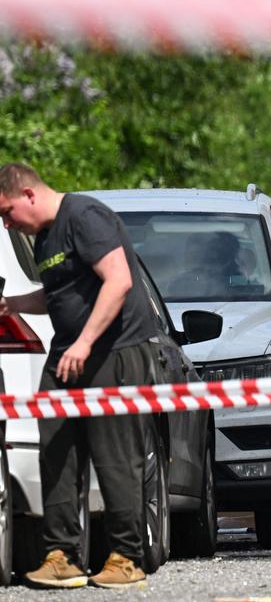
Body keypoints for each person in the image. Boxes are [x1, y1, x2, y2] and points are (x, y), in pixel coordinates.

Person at [0, 163, 154, 589]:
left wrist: (85, 343)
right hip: (69, 355)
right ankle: (61, 556)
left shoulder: (84, 216)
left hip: (114, 352)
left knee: (116, 456)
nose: (7, 222)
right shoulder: (45, 236)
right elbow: (58, 295)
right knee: (57, 451)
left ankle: (126, 558)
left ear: (29, 194)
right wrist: (13, 304)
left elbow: (118, 280)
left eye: (8, 212)